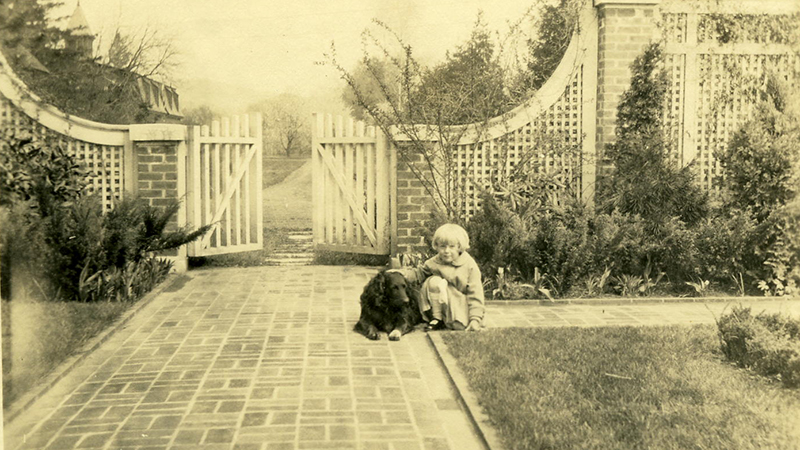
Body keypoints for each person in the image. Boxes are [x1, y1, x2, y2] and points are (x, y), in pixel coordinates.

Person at [392, 223, 484, 331]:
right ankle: (437, 319)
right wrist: (402, 273)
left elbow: (475, 293)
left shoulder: (469, 265)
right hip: (442, 304)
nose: (446, 251)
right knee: (434, 281)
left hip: (460, 303)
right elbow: (419, 273)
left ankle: (454, 319)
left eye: (451, 246)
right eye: (442, 246)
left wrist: (475, 318)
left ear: (459, 247)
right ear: (437, 246)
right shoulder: (435, 261)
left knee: (458, 326)